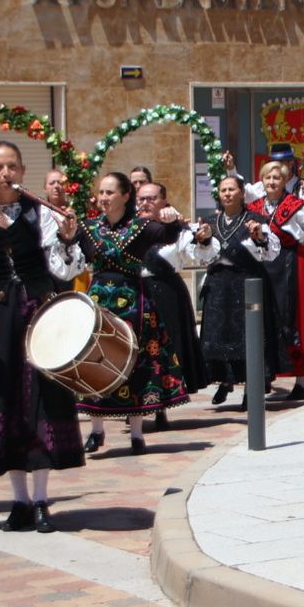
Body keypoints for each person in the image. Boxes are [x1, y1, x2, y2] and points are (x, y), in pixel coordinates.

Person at [0, 141, 86, 532]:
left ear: (23, 171)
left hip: (37, 319)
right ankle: (19, 500)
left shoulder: (42, 214)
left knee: (40, 404)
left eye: (12, 166)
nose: (6, 173)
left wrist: (68, 239)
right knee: (5, 405)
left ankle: (41, 500)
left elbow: (63, 269)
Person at [77, 172, 190, 453]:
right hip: (98, 302)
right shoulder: (89, 227)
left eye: (110, 192)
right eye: (101, 192)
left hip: (132, 303)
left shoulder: (141, 227)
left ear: (126, 196)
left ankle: (137, 434)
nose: (104, 198)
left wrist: (171, 220)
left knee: (135, 363)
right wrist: (67, 234)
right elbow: (73, 251)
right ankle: (96, 431)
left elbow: (168, 234)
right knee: (94, 362)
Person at [190, 175, 284, 404]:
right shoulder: (210, 222)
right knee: (220, 336)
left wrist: (259, 237)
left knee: (248, 337)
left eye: (232, 189)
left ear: (242, 193)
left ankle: (251, 388)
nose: (227, 194)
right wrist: (203, 240)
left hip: (247, 284)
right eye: (223, 190)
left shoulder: (255, 220)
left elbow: (271, 252)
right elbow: (200, 256)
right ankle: (225, 380)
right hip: (219, 286)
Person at [249, 160, 304, 399]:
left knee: (296, 320)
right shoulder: (254, 207)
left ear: (285, 181)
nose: (271, 182)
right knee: (265, 320)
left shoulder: (296, 206)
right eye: (267, 177)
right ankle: (265, 373)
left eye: (276, 178)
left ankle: (302, 380)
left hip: (291, 265)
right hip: (263, 267)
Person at [137, 180, 209, 410]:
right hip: (136, 293)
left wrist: (203, 239)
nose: (146, 203)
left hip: (167, 293)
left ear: (164, 202)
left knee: (167, 347)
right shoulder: (129, 228)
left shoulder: (178, 229)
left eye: (152, 198)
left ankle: (165, 402)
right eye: (141, 198)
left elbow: (197, 254)